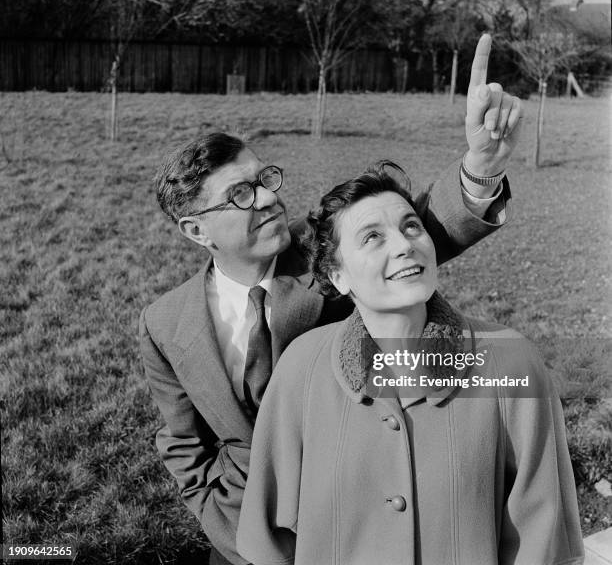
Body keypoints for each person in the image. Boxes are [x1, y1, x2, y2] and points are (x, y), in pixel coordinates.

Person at [139, 34, 521, 565]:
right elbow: (183, 443)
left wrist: (480, 166)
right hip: (242, 534)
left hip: (358, 518)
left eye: (264, 179)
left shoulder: (326, 252)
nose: (270, 197)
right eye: (242, 196)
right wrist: (228, 526)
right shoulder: (163, 324)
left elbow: (420, 229)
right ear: (196, 229)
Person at [236, 167, 584, 565]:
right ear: (338, 275)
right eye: (373, 237)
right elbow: (268, 539)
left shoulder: (512, 361)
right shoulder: (301, 367)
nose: (404, 245)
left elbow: (543, 536)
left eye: (412, 227)